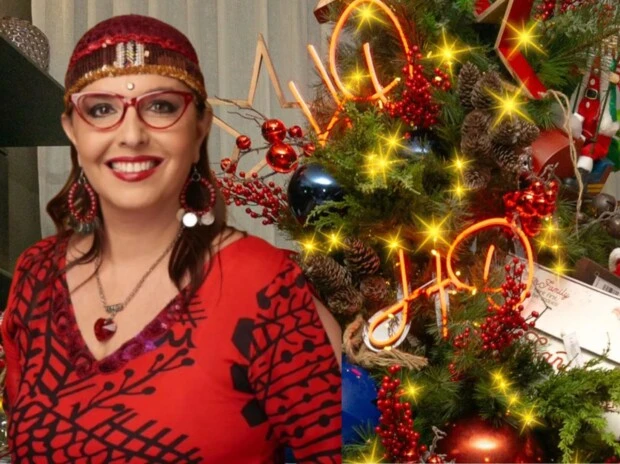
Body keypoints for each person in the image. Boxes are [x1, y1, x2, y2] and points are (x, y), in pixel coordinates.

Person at [1, 14, 342, 464]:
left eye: (161, 106)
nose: (131, 135)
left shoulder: (264, 282)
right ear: (71, 130)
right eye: (101, 109)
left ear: (200, 127)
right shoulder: (36, 274)